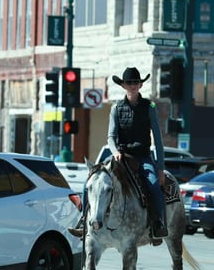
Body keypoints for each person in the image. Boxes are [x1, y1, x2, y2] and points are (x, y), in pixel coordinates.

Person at [68, 66, 168, 240]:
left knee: (153, 184)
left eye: (136, 82)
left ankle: (158, 223)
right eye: (129, 83)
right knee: (90, 182)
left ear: (140, 85)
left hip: (142, 157)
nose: (133, 86)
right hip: (119, 156)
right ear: (123, 85)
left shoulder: (149, 107)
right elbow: (111, 137)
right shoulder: (116, 108)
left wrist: (160, 168)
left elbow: (158, 140)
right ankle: (84, 220)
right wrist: (114, 152)